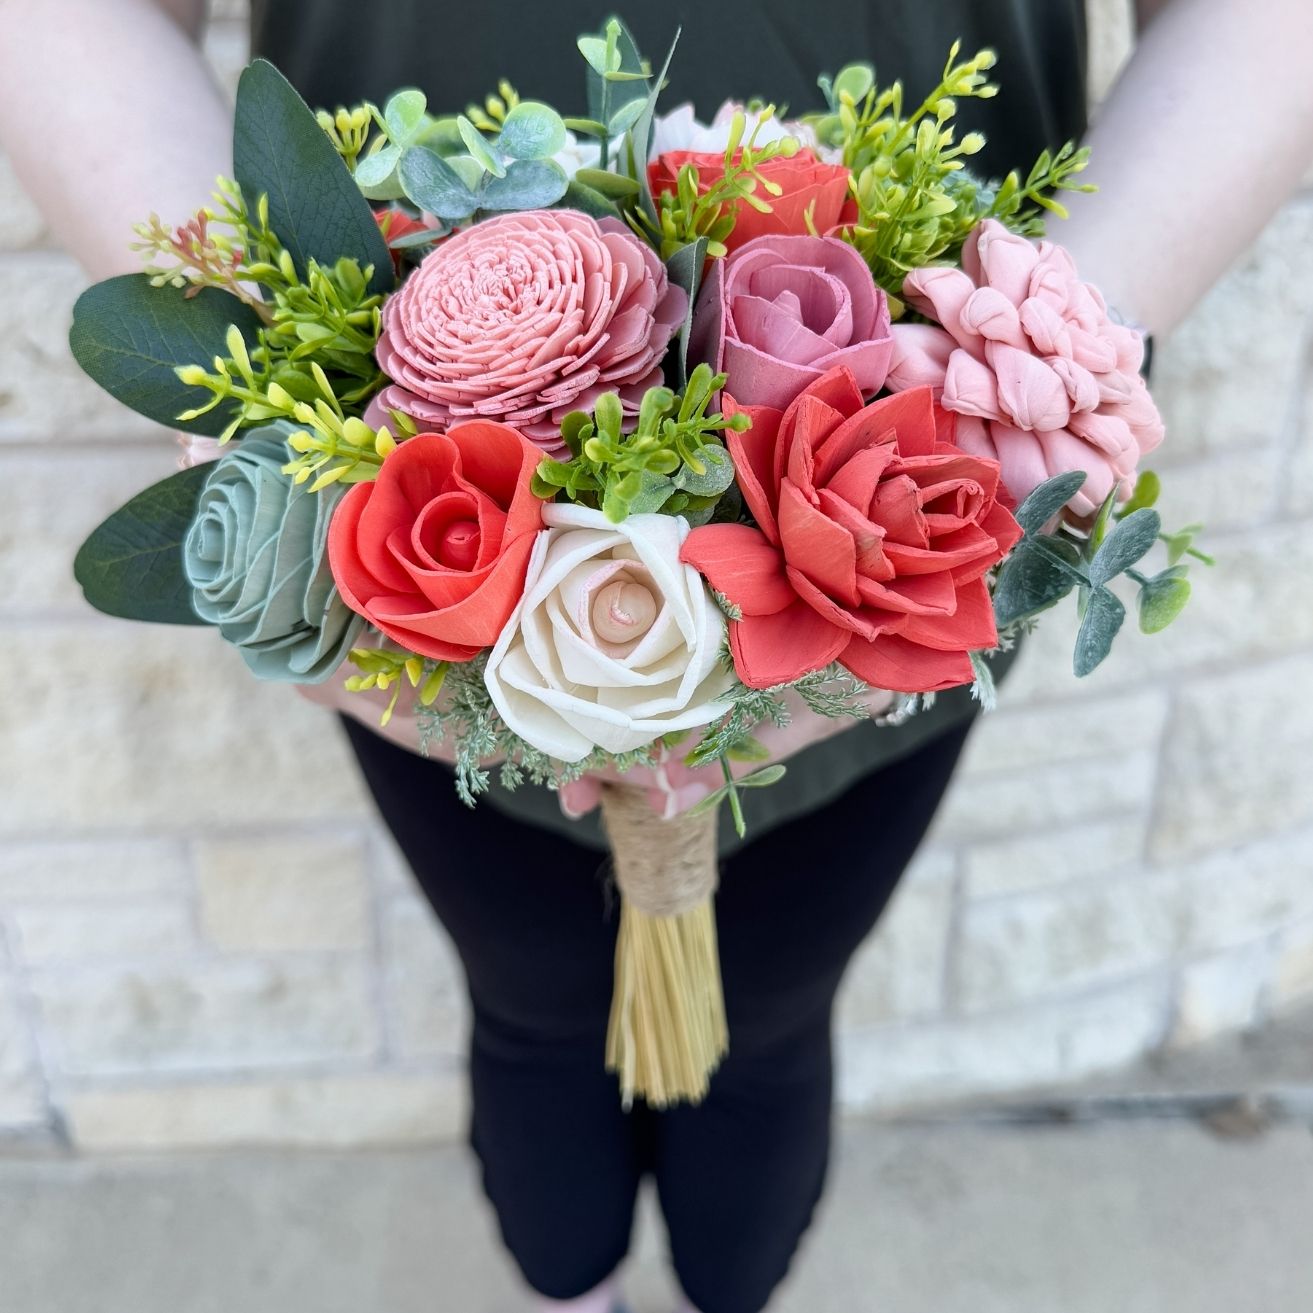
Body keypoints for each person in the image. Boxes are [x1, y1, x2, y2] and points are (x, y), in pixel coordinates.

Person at [4, 2, 1310, 1311]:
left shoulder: (923, 513)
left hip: (908, 516)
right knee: (530, 999)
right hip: (402, 538)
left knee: (773, 1012)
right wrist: (272, 380)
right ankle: (572, 1291)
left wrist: (1030, 371)